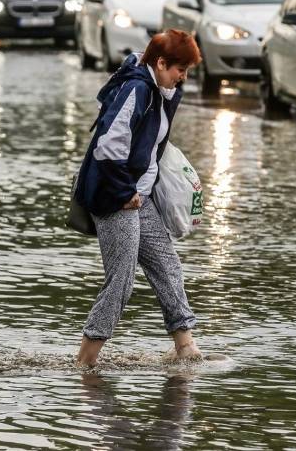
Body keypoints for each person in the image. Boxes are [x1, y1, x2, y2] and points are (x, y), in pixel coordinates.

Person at [74, 29, 203, 367]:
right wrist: (125, 192)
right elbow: (108, 147)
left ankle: (186, 350)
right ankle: (85, 362)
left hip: (138, 197)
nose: (183, 77)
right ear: (160, 63)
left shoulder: (163, 91)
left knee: (167, 266)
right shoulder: (138, 89)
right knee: (122, 281)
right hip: (115, 198)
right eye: (180, 69)